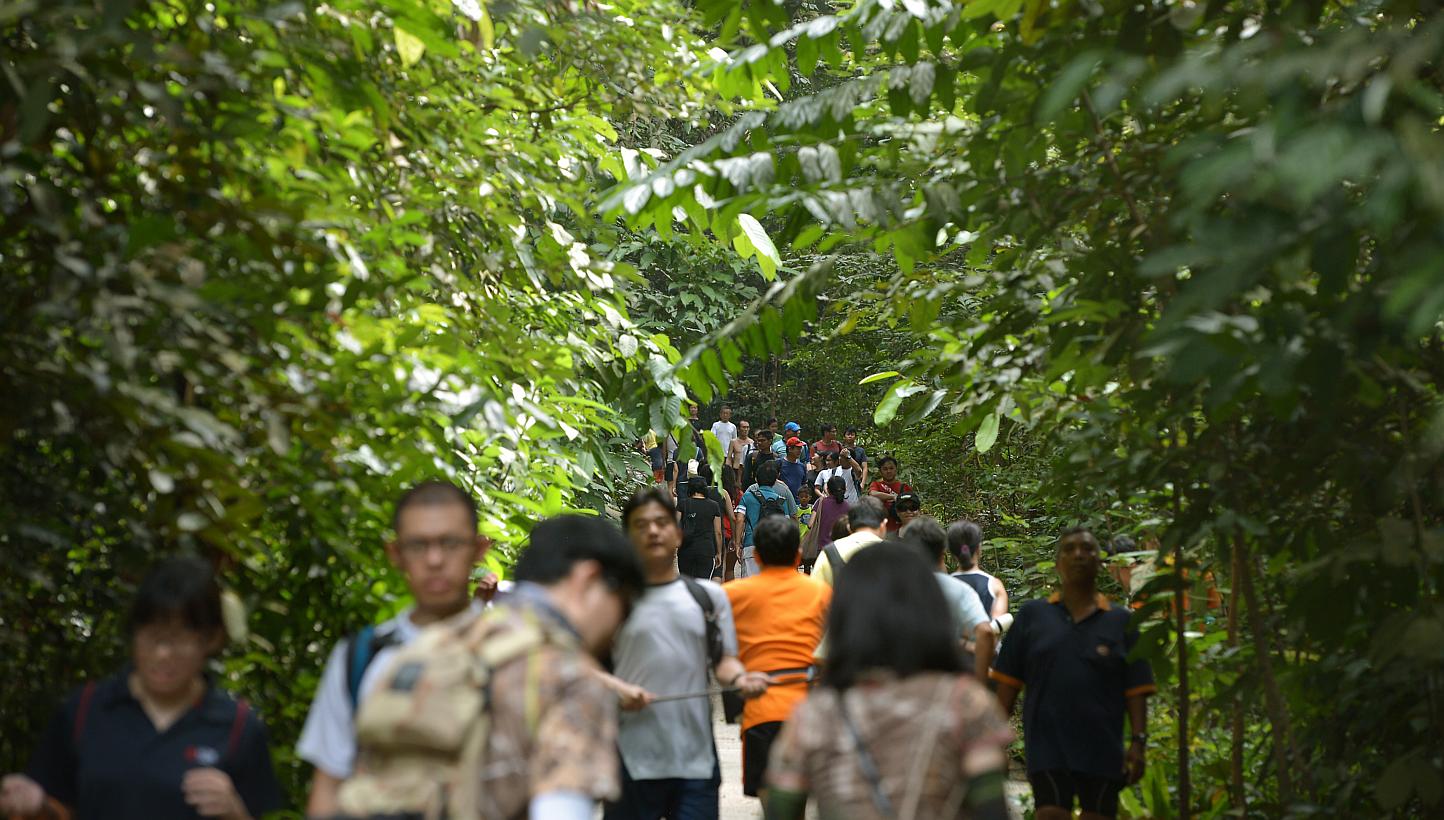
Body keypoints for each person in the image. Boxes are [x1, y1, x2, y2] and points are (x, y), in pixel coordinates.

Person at [336, 515, 646, 820]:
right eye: (625, 607)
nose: (617, 629)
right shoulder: (570, 677)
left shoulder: (429, 644)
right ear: (589, 579)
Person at [0, 557, 284, 820]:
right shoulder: (86, 708)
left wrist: (235, 812)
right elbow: (57, 809)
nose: (162, 654)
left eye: (179, 639)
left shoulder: (238, 728)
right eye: (151, 637)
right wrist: (35, 804)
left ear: (210, 640)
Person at [764, 542, 1013, 820]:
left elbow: (781, 810)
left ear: (845, 615)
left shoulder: (816, 714)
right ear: (930, 609)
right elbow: (993, 810)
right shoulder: (965, 703)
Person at [297, 480, 491, 816]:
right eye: (418, 545)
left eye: (450, 543)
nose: (434, 559)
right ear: (396, 554)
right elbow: (329, 783)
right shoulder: (361, 655)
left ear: (478, 549)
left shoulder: (510, 651)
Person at [600, 488, 769, 820]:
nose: (652, 531)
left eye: (661, 522)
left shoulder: (708, 598)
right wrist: (616, 689)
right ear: (627, 536)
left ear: (678, 533)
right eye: (641, 524)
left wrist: (739, 678)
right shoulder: (609, 600)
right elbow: (575, 664)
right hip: (629, 762)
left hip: (695, 762)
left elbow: (723, 660)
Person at [991, 527, 1157, 820]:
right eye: (1069, 549)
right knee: (1051, 812)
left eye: (1087, 549)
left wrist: (1139, 743)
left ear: (1100, 563)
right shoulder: (1032, 617)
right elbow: (1007, 685)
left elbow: (1137, 688)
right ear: (1058, 563)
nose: (1079, 554)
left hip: (1103, 748)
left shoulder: (1122, 622)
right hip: (1047, 746)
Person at [723, 517, 831, 801]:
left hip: (761, 712)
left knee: (770, 802)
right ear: (797, 555)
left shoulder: (731, 595)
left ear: (756, 556)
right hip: (808, 713)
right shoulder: (821, 593)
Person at [900, 517, 995, 679]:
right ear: (942, 553)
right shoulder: (959, 589)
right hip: (948, 680)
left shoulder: (896, 589)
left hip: (907, 680)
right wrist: (980, 680)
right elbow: (986, 632)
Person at [738, 460, 796, 578]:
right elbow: (786, 523)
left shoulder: (747, 496)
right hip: (775, 547)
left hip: (751, 544)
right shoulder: (781, 500)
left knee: (750, 586)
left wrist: (738, 542)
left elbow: (739, 519)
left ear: (756, 479)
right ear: (775, 481)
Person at [811, 497, 887, 587]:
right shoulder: (896, 554)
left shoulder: (830, 552)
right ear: (883, 525)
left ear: (849, 527)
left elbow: (816, 593)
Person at [948, 520, 1010, 620]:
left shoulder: (941, 586)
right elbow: (996, 627)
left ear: (952, 552)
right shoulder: (994, 585)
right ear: (978, 548)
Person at [676, 476, 724, 579]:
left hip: (686, 549)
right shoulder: (714, 505)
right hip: (706, 550)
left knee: (686, 584)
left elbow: (674, 525)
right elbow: (718, 532)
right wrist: (719, 552)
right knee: (703, 584)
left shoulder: (683, 504)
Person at [867, 456, 912, 533]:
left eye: (891, 468)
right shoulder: (876, 484)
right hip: (881, 528)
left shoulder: (904, 487)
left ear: (896, 469)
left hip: (901, 529)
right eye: (885, 469)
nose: (888, 471)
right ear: (880, 471)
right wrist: (893, 497)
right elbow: (872, 494)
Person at [812, 475, 851, 560]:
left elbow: (810, 524)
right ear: (845, 489)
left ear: (828, 490)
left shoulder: (821, 503)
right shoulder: (848, 507)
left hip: (822, 549)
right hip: (842, 550)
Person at [724, 419, 753, 490]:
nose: (745, 429)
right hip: (735, 470)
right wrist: (728, 469)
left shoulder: (751, 442)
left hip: (747, 470)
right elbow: (729, 457)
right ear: (738, 429)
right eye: (743, 427)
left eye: (747, 427)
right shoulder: (733, 442)